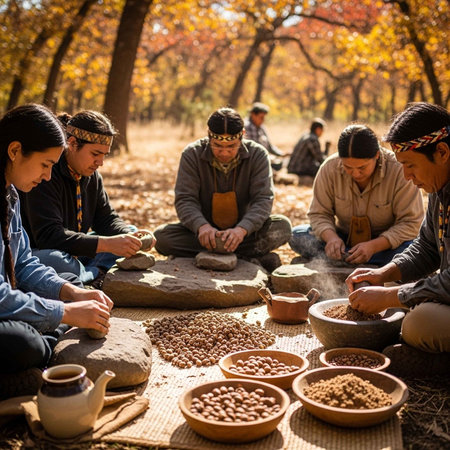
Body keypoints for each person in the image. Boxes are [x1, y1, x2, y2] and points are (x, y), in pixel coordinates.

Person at [0, 104, 113, 399]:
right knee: (22, 343)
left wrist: (70, 294)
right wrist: (66, 312)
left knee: (67, 285)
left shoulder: (10, 194)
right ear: (15, 151)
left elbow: (23, 263)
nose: (48, 176)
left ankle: (41, 348)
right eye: (45, 164)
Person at [346, 103, 450, 377]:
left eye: (410, 165)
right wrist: (384, 273)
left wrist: (392, 295)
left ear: (441, 152)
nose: (406, 176)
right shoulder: (440, 187)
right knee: (409, 304)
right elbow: (427, 247)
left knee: (420, 324)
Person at [20, 110, 154, 284]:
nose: (101, 162)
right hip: (43, 252)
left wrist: (130, 237)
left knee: (131, 231)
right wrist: (107, 245)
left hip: (77, 252)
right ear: (73, 143)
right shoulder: (45, 174)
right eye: (95, 154)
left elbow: (106, 219)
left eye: (104, 155)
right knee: (57, 261)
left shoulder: (92, 177)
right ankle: (93, 273)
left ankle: (87, 273)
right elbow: (49, 237)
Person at [154, 107, 292, 271]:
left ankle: (221, 251)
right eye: (218, 145)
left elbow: (262, 200)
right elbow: (185, 199)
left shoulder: (258, 155)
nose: (225, 152)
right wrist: (202, 227)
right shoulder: (192, 154)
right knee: (162, 238)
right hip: (204, 233)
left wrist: (242, 230)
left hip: (244, 233)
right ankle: (244, 255)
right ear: (209, 135)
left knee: (282, 227)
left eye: (232, 146)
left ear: (242, 135)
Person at [289, 124, 424, 266]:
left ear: (377, 155)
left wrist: (373, 246)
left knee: (414, 249)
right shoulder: (329, 168)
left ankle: (346, 259)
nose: (355, 173)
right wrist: (332, 239)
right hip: (344, 239)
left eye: (362, 167)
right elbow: (319, 214)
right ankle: (353, 257)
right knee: (297, 235)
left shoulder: (399, 170)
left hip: (384, 244)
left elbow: (411, 223)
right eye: (348, 167)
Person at [244, 102, 284, 170]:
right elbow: (252, 150)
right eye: (261, 117)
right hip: (252, 161)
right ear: (253, 114)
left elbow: (270, 146)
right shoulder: (246, 127)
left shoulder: (261, 128)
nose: (263, 120)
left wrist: (281, 154)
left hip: (263, 158)